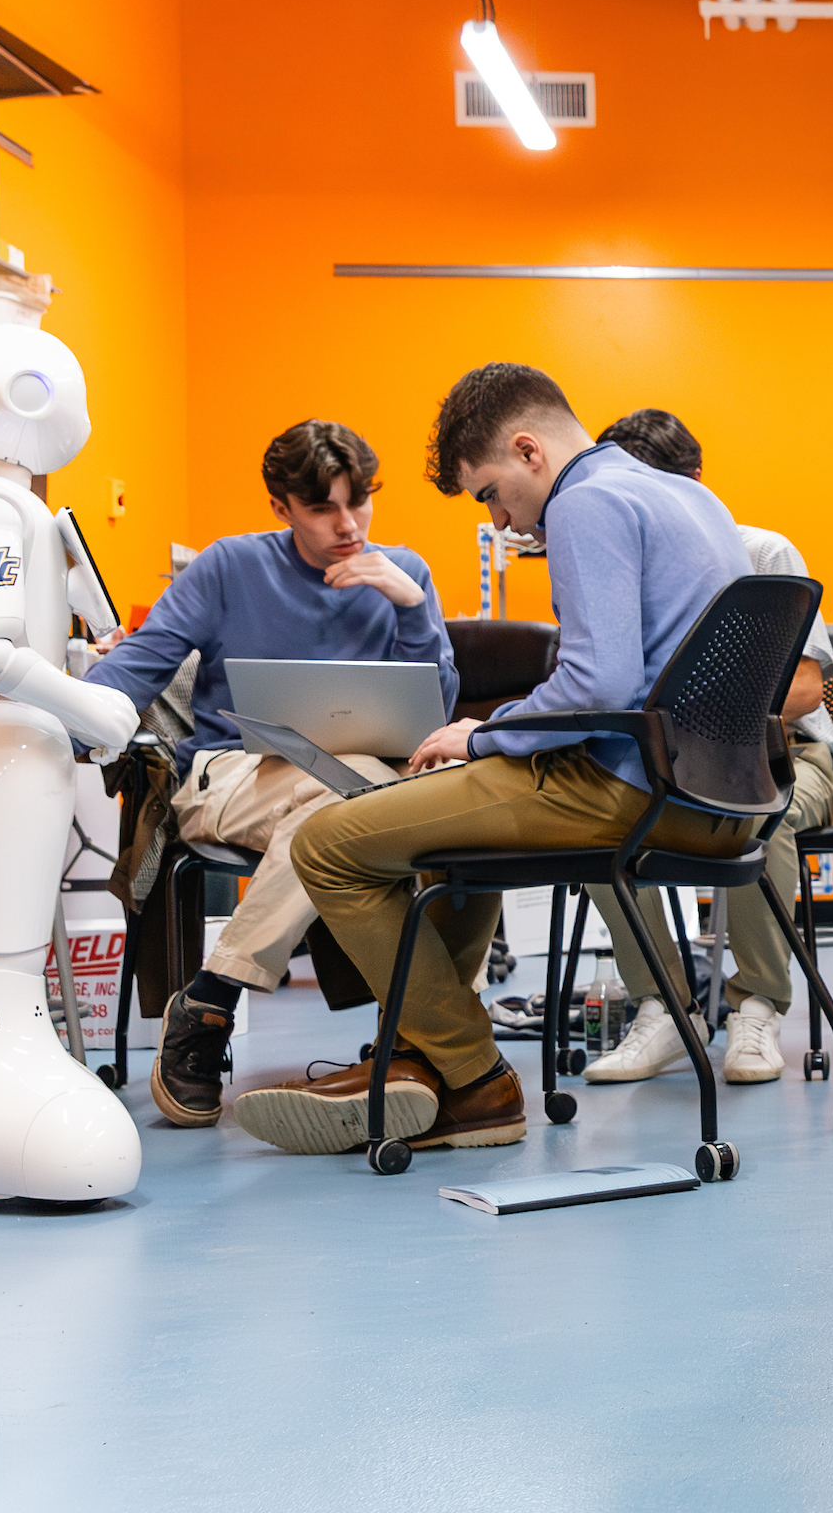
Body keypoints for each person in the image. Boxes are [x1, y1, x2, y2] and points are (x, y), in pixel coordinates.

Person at [231, 364, 759, 1156]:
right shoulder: (687, 495)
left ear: (528, 451)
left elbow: (599, 683)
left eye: (491, 494)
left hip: (631, 791)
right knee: (449, 844)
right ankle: (421, 1061)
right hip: (723, 800)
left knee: (327, 846)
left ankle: (473, 1077)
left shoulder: (585, 502)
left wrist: (482, 733)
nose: (504, 521)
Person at [83, 420, 457, 1130]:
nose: (349, 526)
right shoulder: (230, 566)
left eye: (359, 502)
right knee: (360, 796)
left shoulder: (405, 573)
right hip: (234, 773)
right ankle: (410, 1037)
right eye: (322, 508)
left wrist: (411, 609)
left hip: (360, 782)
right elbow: (142, 662)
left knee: (353, 792)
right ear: (282, 507)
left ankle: (211, 999)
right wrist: (63, 716)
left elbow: (432, 715)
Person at [584, 407, 833, 1086]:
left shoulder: (762, 553)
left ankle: (759, 1003)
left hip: (784, 756)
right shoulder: (615, 566)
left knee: (761, 816)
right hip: (670, 765)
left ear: (697, 483)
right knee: (594, 827)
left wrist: (708, 712)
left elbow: (806, 690)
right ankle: (665, 1006)